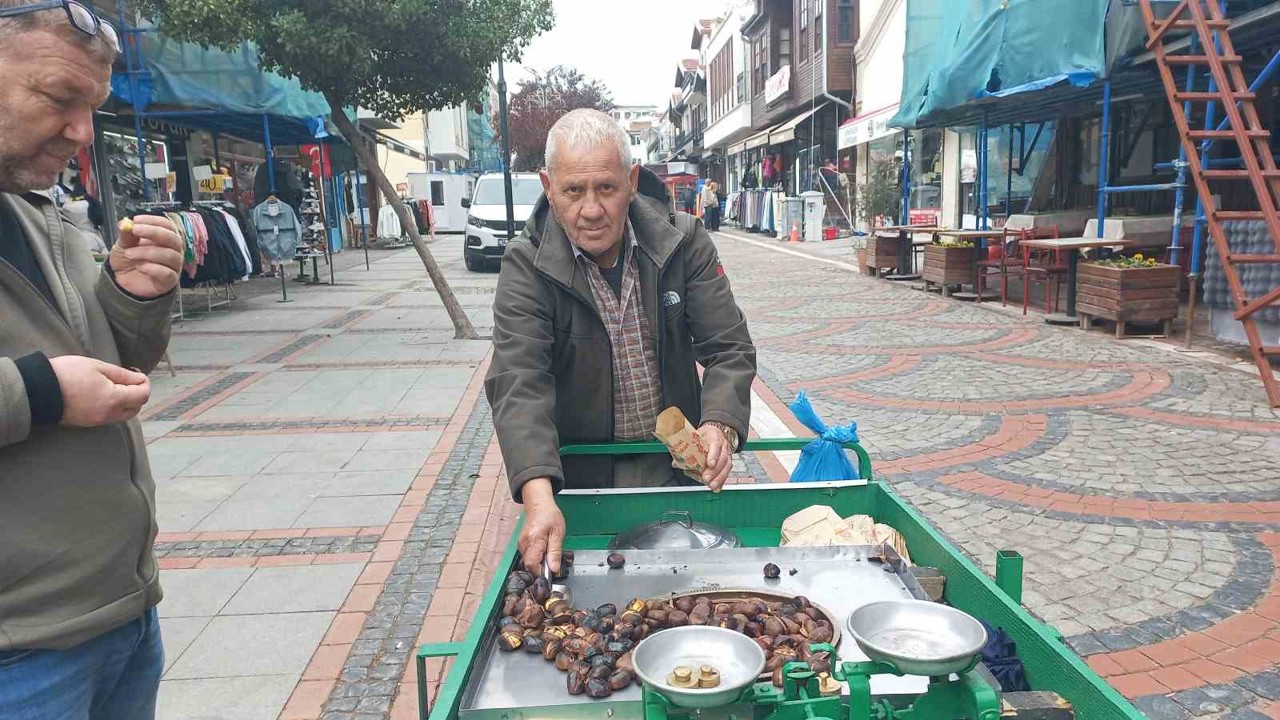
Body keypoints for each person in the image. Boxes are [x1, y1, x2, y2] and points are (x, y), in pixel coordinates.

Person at [0, 4, 184, 718]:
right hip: (22, 650)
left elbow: (111, 361)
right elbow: (57, 382)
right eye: (59, 97)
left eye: (94, 107)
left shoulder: (34, 207)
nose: (82, 132)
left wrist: (134, 296)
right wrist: (40, 390)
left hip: (117, 618)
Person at [486, 109, 756, 573]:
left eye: (606, 188)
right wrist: (539, 497)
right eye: (573, 191)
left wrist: (719, 426)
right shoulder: (526, 265)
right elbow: (518, 380)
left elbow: (729, 346)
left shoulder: (684, 241)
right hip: (581, 483)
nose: (591, 209)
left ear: (631, 181)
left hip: (675, 474)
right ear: (548, 187)